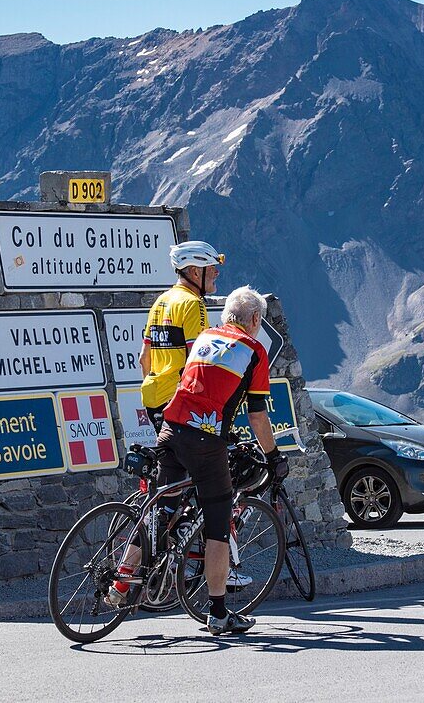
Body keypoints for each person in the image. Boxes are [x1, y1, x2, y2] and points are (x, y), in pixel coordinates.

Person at [113, 286, 282, 635]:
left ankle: (120, 584)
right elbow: (257, 416)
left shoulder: (205, 337)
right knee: (219, 522)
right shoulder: (253, 350)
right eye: (259, 321)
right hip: (205, 440)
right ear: (254, 320)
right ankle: (219, 613)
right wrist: (273, 456)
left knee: (161, 508)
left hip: (170, 429)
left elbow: (202, 385)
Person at [139, 241, 224, 432]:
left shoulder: (162, 300)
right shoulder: (193, 303)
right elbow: (198, 360)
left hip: (154, 399)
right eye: (211, 268)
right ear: (195, 272)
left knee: (170, 460)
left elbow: (144, 358)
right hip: (180, 402)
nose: (216, 273)